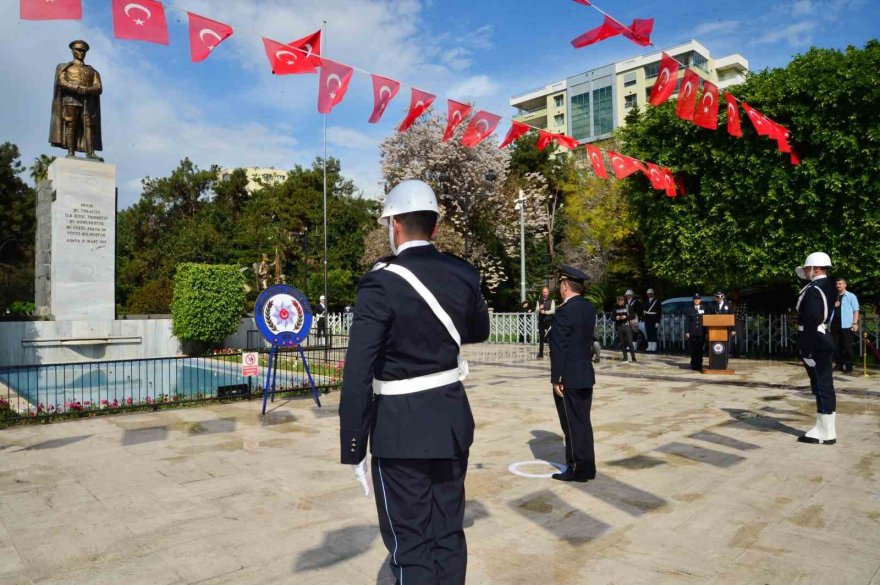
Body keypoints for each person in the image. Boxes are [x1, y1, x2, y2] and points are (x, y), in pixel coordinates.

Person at [338, 179, 490, 584]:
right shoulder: (464, 273)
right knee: (448, 535)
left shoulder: (381, 281)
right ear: (435, 227)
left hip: (400, 430)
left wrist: (354, 446)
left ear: (395, 226)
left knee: (411, 546)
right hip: (452, 420)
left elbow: (357, 371)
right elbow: (479, 330)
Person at [549, 265, 597, 482]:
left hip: (569, 377)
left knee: (571, 426)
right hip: (585, 374)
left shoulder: (564, 312)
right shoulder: (589, 309)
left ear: (566, 286)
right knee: (584, 423)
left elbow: (559, 347)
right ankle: (588, 467)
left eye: (561, 285)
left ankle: (576, 469)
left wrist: (557, 379)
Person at [794, 252, 837, 445]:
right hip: (823, 336)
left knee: (820, 384)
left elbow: (811, 317)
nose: (804, 271)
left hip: (814, 338)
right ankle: (826, 428)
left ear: (816, 268)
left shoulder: (813, 289)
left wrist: (807, 349)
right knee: (825, 384)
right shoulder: (828, 285)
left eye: (807, 268)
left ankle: (824, 431)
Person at [50, 40, 103, 160]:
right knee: (71, 124)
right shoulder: (64, 67)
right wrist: (77, 88)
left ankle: (90, 153)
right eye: (78, 50)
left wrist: (88, 90)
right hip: (70, 100)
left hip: (88, 102)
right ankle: (70, 152)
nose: (81, 53)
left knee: (89, 126)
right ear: (73, 51)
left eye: (83, 51)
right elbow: (61, 82)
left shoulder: (92, 71)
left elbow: (99, 87)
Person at [832, 278, 860, 373]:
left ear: (845, 285)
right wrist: (834, 306)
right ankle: (839, 364)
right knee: (836, 346)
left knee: (847, 346)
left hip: (847, 324)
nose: (838, 285)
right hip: (834, 324)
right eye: (837, 284)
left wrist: (855, 323)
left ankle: (849, 365)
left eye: (840, 284)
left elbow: (856, 310)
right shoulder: (834, 296)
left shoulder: (851, 296)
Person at [685, 294, 707, 371]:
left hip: (701, 332)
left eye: (698, 299)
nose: (696, 300)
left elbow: (707, 320)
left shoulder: (704, 308)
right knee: (693, 349)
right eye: (695, 299)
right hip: (692, 332)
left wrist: (707, 331)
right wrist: (687, 331)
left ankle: (699, 364)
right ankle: (694, 364)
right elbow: (687, 321)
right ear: (693, 300)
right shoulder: (689, 309)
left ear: (700, 300)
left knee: (700, 349)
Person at [613, 295, 636, 363]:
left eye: (620, 301)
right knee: (622, 342)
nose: (619, 303)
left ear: (623, 301)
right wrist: (616, 318)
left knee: (629, 341)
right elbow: (612, 317)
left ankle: (633, 357)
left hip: (627, 326)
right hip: (619, 326)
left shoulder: (628, 306)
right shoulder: (615, 307)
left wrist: (626, 317)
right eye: (618, 302)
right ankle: (625, 357)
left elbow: (633, 315)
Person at [535, 287, 555, 359]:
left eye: (546, 292)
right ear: (542, 292)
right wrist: (539, 308)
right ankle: (541, 353)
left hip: (549, 320)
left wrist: (545, 312)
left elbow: (553, 311)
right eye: (544, 292)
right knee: (541, 337)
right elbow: (536, 311)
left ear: (548, 293)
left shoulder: (551, 300)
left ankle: (552, 353)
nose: (545, 294)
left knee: (550, 337)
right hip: (541, 321)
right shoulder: (539, 300)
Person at [643, 288, 661, 353]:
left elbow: (659, 312)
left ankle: (654, 347)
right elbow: (644, 311)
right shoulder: (645, 301)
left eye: (650, 293)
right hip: (647, 319)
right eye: (648, 293)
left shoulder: (657, 301)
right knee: (648, 333)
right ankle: (649, 346)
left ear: (653, 294)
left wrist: (657, 321)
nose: (649, 294)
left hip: (654, 319)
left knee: (653, 333)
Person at [733, 291, 748, 358]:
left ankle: (742, 352)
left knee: (740, 337)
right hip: (731, 321)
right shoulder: (732, 303)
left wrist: (736, 318)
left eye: (735, 294)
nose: (734, 296)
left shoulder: (742, 303)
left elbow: (743, 314)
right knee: (730, 336)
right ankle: (730, 352)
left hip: (739, 321)